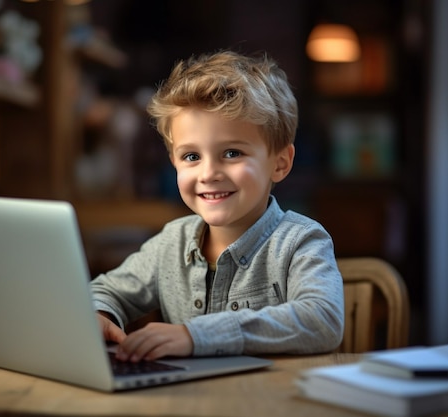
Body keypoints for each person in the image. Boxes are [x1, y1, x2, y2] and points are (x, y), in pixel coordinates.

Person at [91, 50, 344, 363]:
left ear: (279, 163)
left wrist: (195, 335)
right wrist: (99, 313)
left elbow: (322, 320)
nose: (208, 174)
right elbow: (108, 289)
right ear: (174, 163)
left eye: (232, 153)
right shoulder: (172, 242)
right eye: (191, 157)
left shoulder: (301, 242)